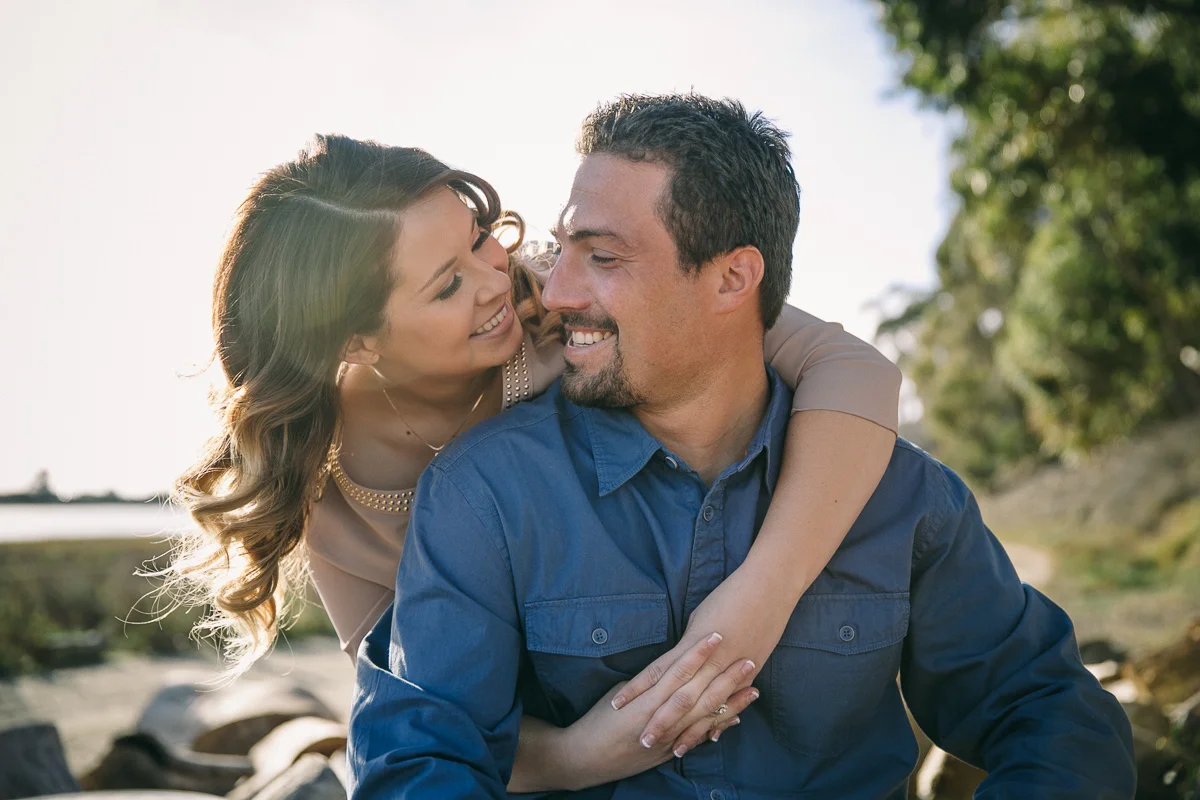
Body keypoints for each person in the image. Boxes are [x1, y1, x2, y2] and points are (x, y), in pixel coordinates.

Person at [347, 94, 1137, 798]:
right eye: (563, 248)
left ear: (732, 280)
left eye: (605, 256)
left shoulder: (897, 494)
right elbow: (418, 760)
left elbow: (1050, 711)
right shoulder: (482, 493)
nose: (553, 292)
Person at [167, 133, 903, 792]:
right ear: (355, 342)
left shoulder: (566, 299)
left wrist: (760, 598)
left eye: (480, 237)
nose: (496, 278)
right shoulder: (322, 488)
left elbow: (855, 368)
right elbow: (420, 710)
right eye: (447, 285)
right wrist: (579, 756)